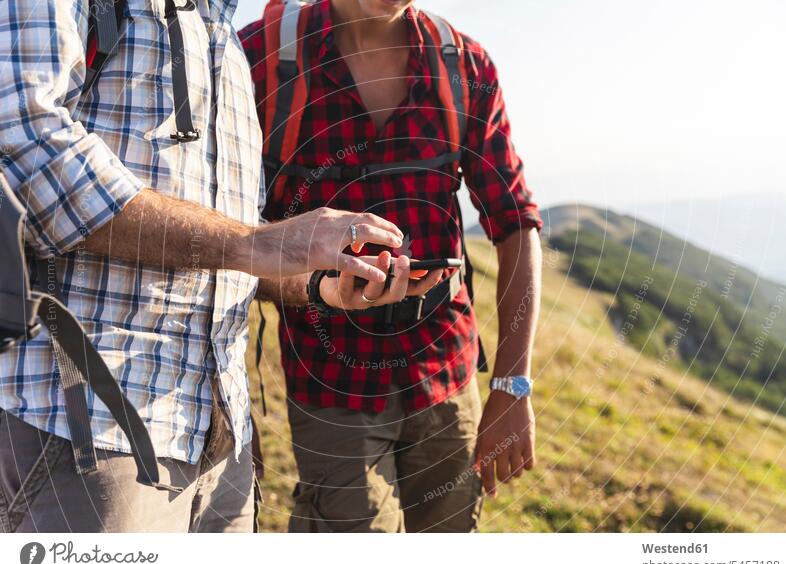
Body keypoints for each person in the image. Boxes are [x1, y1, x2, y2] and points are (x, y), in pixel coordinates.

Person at [0, 0, 413, 533]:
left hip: (218, 448)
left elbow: (227, 242)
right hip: (85, 431)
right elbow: (23, 144)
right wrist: (257, 242)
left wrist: (322, 285)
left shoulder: (222, 32)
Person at [239, 0, 544, 532]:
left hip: (446, 375)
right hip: (331, 386)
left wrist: (511, 386)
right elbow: (230, 240)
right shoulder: (260, 58)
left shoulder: (464, 66)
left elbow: (515, 220)